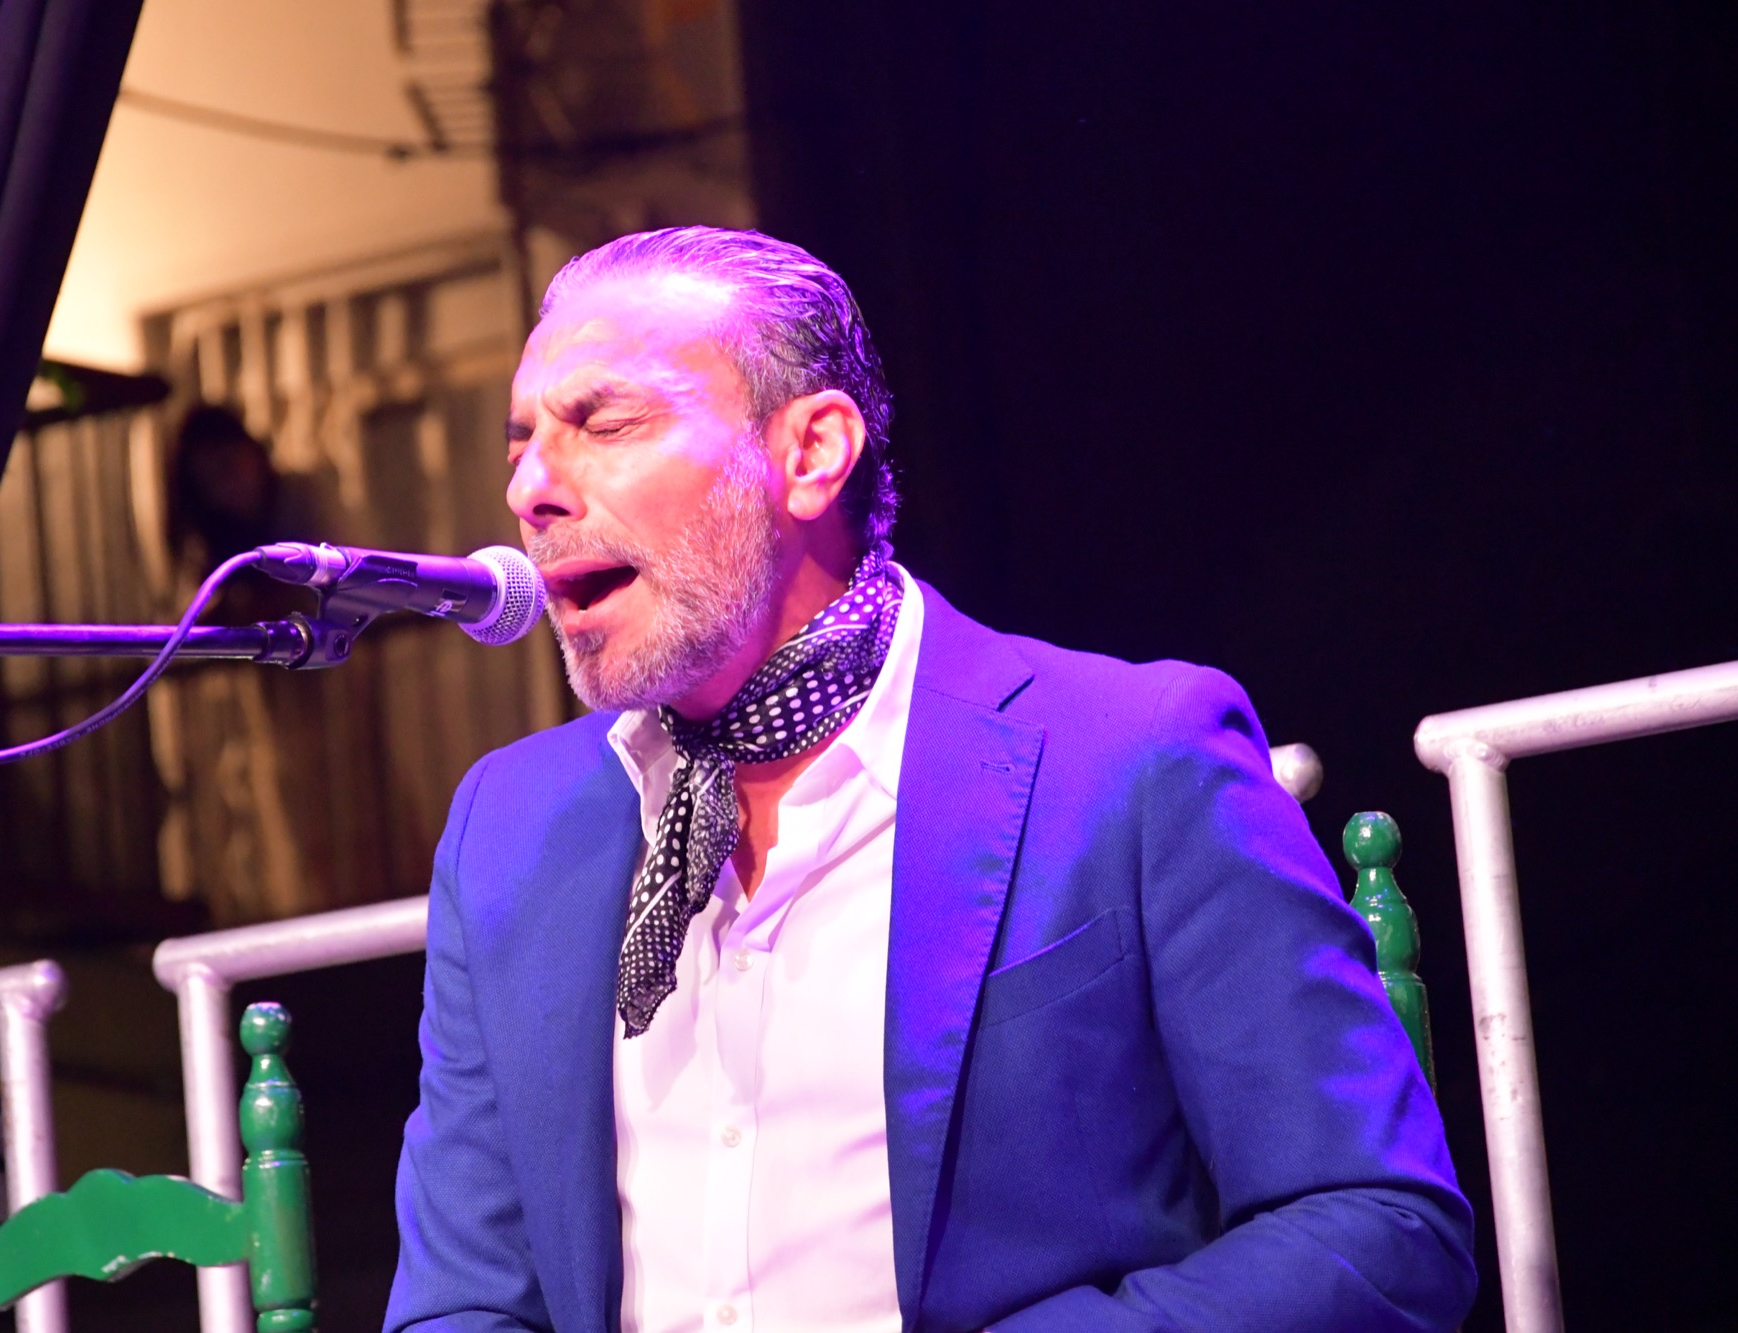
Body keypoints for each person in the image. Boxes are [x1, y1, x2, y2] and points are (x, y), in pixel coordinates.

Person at [385, 227, 1475, 1333]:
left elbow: (1376, 1229)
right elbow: (460, 1303)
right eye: (522, 441)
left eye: (604, 424)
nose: (530, 487)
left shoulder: (1131, 759)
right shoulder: (508, 827)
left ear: (811, 453)